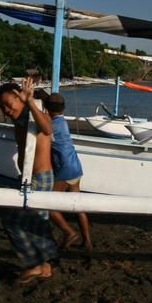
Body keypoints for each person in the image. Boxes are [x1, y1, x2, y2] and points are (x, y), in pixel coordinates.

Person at [0, 77, 59, 285]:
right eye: (2, 106)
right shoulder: (20, 118)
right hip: (28, 178)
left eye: (8, 104)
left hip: (40, 178)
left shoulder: (34, 113)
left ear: (20, 99)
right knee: (37, 222)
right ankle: (47, 264)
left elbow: (48, 129)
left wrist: (30, 100)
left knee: (12, 220)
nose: (5, 109)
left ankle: (36, 265)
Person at [43, 92, 92, 253]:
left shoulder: (51, 125)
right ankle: (87, 242)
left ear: (46, 108)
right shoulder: (61, 121)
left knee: (48, 206)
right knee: (77, 206)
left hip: (65, 169)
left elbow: (42, 129)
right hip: (76, 167)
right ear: (63, 108)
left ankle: (70, 233)